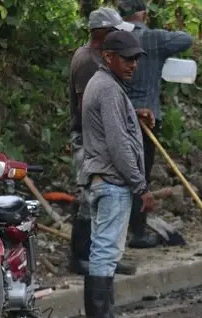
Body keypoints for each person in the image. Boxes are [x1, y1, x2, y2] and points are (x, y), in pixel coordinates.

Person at [79, 30, 156, 318]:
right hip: (112, 181)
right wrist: (140, 185)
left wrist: (132, 115)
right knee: (106, 251)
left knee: (105, 250)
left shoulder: (104, 85)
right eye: (126, 59)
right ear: (108, 57)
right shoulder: (109, 89)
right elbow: (118, 144)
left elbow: (111, 125)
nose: (133, 64)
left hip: (103, 179)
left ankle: (105, 317)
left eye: (135, 59)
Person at [67, 7, 137, 277]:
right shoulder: (87, 61)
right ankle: (82, 256)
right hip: (89, 139)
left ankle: (103, 254)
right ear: (102, 33)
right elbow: (88, 106)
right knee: (90, 196)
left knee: (97, 198)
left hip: (96, 137)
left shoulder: (99, 59)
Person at [119, 0, 194, 248]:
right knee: (140, 175)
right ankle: (138, 232)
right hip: (146, 118)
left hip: (118, 115)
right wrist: (161, 33)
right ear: (143, 14)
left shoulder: (113, 38)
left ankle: (118, 230)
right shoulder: (153, 38)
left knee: (119, 173)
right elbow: (186, 39)